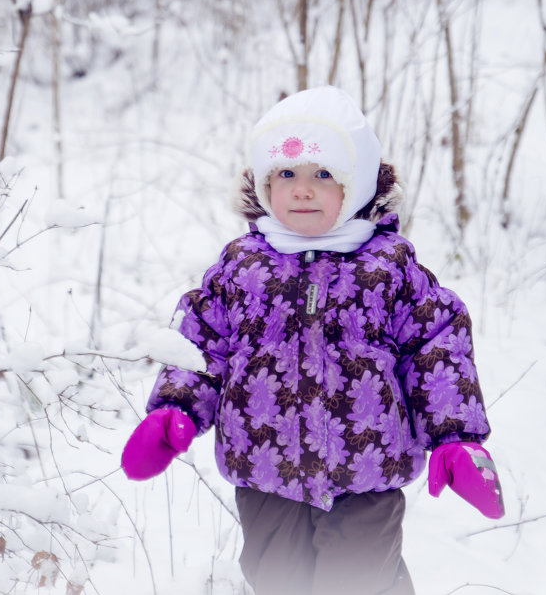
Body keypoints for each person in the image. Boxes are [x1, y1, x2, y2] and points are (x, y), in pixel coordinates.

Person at [121, 86, 504, 595]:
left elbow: (436, 345)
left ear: (360, 184)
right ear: (263, 185)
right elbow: (202, 341)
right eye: (287, 175)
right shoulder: (242, 268)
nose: (302, 190)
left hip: (368, 469)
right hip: (264, 470)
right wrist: (176, 409)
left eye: (324, 175)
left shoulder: (387, 268)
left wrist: (455, 437)